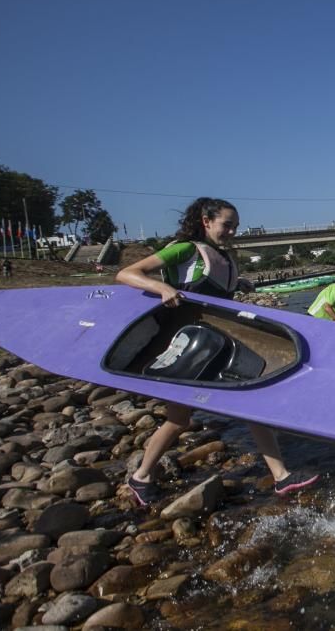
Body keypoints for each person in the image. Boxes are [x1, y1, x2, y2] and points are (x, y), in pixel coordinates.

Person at [116, 197, 317, 506]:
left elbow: (213, 293)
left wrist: (240, 283)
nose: (232, 232)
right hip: (186, 344)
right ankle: (140, 476)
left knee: (250, 403)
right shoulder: (185, 249)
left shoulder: (222, 255)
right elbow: (128, 274)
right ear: (206, 221)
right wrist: (165, 289)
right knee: (178, 420)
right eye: (227, 225)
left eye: (235, 226)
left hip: (219, 342)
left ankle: (281, 477)